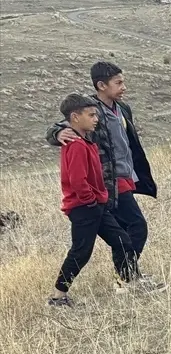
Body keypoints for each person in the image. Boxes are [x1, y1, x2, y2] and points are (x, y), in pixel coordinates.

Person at [48, 61, 163, 290]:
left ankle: (127, 276)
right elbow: (63, 125)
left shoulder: (123, 109)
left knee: (123, 232)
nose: (124, 87)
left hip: (125, 176)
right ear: (101, 85)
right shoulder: (89, 109)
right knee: (136, 226)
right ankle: (127, 278)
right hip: (107, 182)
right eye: (118, 83)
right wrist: (58, 131)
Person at [48, 94, 140, 307]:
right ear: (75, 117)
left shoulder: (85, 141)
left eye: (96, 114)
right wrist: (90, 200)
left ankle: (129, 281)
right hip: (84, 207)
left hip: (96, 205)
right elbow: (77, 180)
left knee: (121, 240)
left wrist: (99, 200)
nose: (95, 119)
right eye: (90, 115)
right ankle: (57, 296)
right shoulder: (77, 145)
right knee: (81, 251)